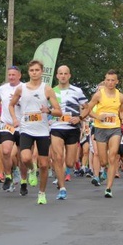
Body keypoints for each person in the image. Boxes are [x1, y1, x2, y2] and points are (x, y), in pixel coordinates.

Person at [9, 60, 62, 205]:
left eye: (37, 70)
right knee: (25, 158)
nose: (34, 73)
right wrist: (14, 119)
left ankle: (42, 193)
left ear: (42, 72)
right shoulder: (21, 88)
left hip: (43, 131)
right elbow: (11, 105)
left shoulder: (47, 89)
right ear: (28, 72)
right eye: (32, 70)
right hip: (26, 129)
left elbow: (59, 111)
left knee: (44, 164)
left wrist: (49, 110)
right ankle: (32, 170)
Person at [81, 70, 123, 198]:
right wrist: (98, 116)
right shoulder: (98, 95)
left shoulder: (121, 97)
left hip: (115, 128)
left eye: (113, 80)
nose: (110, 83)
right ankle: (103, 170)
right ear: (105, 80)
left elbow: (122, 111)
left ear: (117, 82)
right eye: (108, 80)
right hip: (100, 128)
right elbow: (87, 109)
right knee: (103, 161)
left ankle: (108, 188)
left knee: (112, 156)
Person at [50, 65, 88, 200]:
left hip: (72, 128)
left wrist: (79, 117)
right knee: (58, 157)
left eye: (65, 73)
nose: (63, 76)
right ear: (57, 76)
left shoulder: (77, 91)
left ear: (69, 75)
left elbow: (87, 108)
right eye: (60, 73)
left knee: (70, 162)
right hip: (56, 127)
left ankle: (64, 172)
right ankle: (62, 187)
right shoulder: (51, 91)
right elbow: (47, 109)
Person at [0, 66, 23, 192]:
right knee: (6, 152)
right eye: (9, 75)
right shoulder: (2, 88)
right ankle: (8, 176)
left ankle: (22, 177)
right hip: (7, 124)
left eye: (13, 75)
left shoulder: (25, 88)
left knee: (22, 156)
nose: (11, 77)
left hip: (22, 125)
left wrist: (19, 101)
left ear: (19, 76)